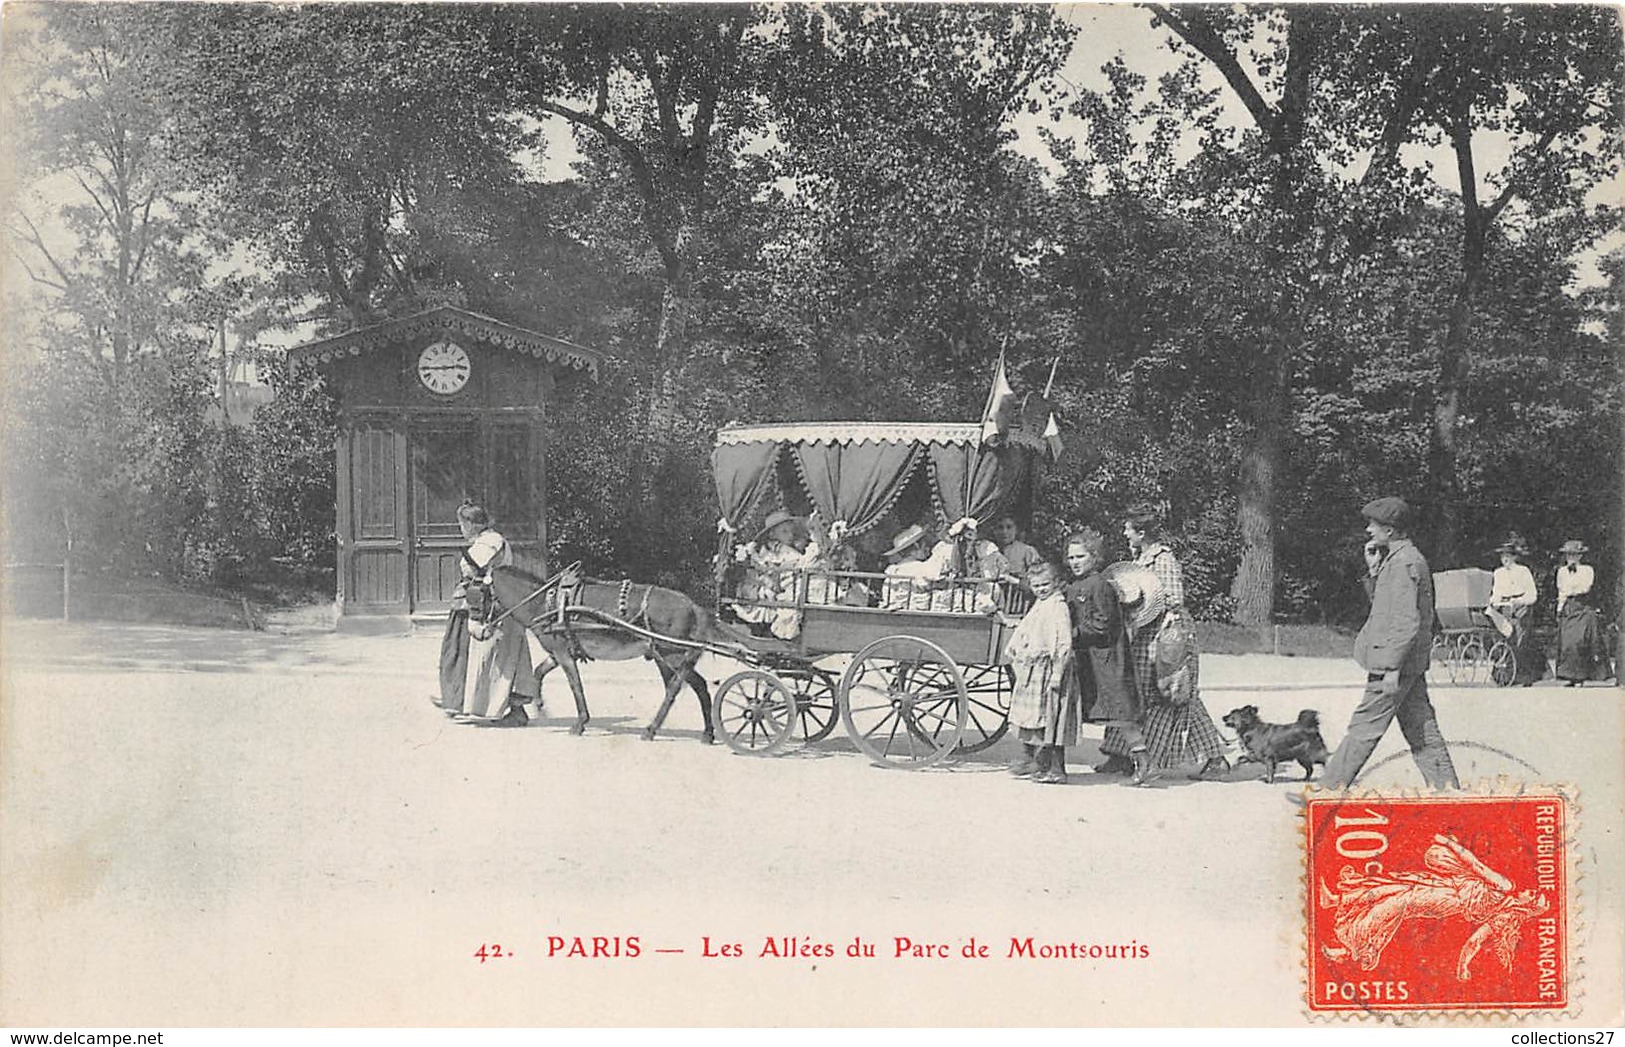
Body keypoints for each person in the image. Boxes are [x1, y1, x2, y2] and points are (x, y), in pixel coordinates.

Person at [1320, 497, 1459, 791]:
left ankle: (1327, 790)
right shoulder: (1400, 560)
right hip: (1405, 661)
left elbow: (1405, 621)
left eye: (1374, 525)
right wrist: (1373, 572)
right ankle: (1448, 791)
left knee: (1364, 726)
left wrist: (1392, 667)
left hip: (1394, 664)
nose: (1369, 530)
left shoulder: (1403, 563)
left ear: (1391, 531)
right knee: (1421, 729)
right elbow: (1384, 610)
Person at [1097, 504, 1229, 781]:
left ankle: (1216, 758)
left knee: (1175, 694)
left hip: (1168, 635)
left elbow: (1174, 598)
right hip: (1146, 633)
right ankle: (1120, 754)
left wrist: (1141, 603)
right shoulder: (1140, 556)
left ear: (1141, 532)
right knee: (1135, 690)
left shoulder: (1163, 558)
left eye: (1128, 529)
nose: (1124, 533)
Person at [1062, 529, 1147, 782]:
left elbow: (1103, 624)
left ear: (1094, 557)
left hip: (1107, 659)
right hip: (1089, 658)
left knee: (1121, 712)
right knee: (1104, 710)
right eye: (1071, 557)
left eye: (1080, 556)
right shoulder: (1076, 585)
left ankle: (1143, 761)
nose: (1075, 562)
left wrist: (1073, 632)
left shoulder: (1100, 585)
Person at [455, 501, 539, 727]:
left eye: (462, 525)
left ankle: (496, 710)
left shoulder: (490, 543)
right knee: (508, 656)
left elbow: (472, 569)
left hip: (497, 607)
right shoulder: (490, 540)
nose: (461, 530)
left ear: (472, 525)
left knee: (498, 658)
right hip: (502, 603)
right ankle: (509, 709)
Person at [998, 561, 1081, 784]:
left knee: (1051, 719)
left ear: (1056, 583)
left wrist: (1057, 672)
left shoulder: (1057, 606)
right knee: (1033, 717)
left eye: (1046, 584)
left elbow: (1063, 641)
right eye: (1036, 585)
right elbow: (1026, 627)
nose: (1041, 589)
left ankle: (1056, 769)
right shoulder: (1041, 603)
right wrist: (1015, 649)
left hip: (1049, 669)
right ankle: (1038, 761)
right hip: (1034, 668)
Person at [734, 510, 822, 639]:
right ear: (772, 534)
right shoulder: (770, 551)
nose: (790, 535)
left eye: (791, 531)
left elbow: (794, 564)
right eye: (784, 532)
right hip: (769, 587)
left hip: (782, 583)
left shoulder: (789, 551)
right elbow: (771, 567)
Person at [1487, 534, 1543, 686]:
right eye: (1502, 556)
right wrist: (1494, 601)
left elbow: (1532, 594)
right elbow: (1496, 591)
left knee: (1520, 636)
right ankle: (1504, 674)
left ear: (1514, 557)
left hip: (1521, 606)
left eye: (1507, 556)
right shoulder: (1498, 573)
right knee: (1499, 632)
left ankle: (1524, 676)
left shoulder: (1523, 571)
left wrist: (1518, 601)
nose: (1504, 559)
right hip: (1504, 607)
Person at [1554, 539, 1610, 686]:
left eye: (1574, 555)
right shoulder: (1561, 572)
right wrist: (1559, 609)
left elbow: (1585, 587)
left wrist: (1572, 588)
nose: (1570, 558)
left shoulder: (1587, 570)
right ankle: (1570, 676)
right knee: (1567, 642)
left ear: (1580, 556)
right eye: (1568, 555)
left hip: (1583, 606)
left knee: (1580, 641)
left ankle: (1581, 676)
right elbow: (1561, 590)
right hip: (1568, 607)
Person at [881, 524, 951, 610]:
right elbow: (936, 576)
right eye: (924, 545)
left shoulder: (893, 570)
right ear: (917, 546)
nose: (927, 549)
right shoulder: (917, 567)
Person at [991, 515, 1046, 589]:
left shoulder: (1027, 550)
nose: (1004, 532)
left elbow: (1040, 577)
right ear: (994, 530)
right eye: (1000, 528)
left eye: (1009, 527)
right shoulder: (987, 550)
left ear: (1016, 530)